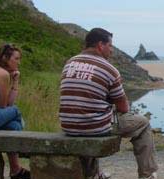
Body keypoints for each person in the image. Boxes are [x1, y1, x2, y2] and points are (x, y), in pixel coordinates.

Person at [59, 28, 158, 179]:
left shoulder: (70, 63)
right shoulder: (108, 69)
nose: (111, 50)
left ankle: (93, 174)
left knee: (94, 114)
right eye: (110, 46)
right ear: (100, 45)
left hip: (68, 124)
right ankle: (147, 174)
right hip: (93, 126)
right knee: (143, 123)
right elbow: (123, 108)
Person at [0, 43, 29, 179]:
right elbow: (4, 106)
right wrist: (15, 81)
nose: (19, 62)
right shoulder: (3, 74)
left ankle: (15, 170)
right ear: (6, 58)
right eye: (16, 59)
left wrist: (15, 80)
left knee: (12, 126)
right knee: (15, 110)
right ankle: (15, 170)